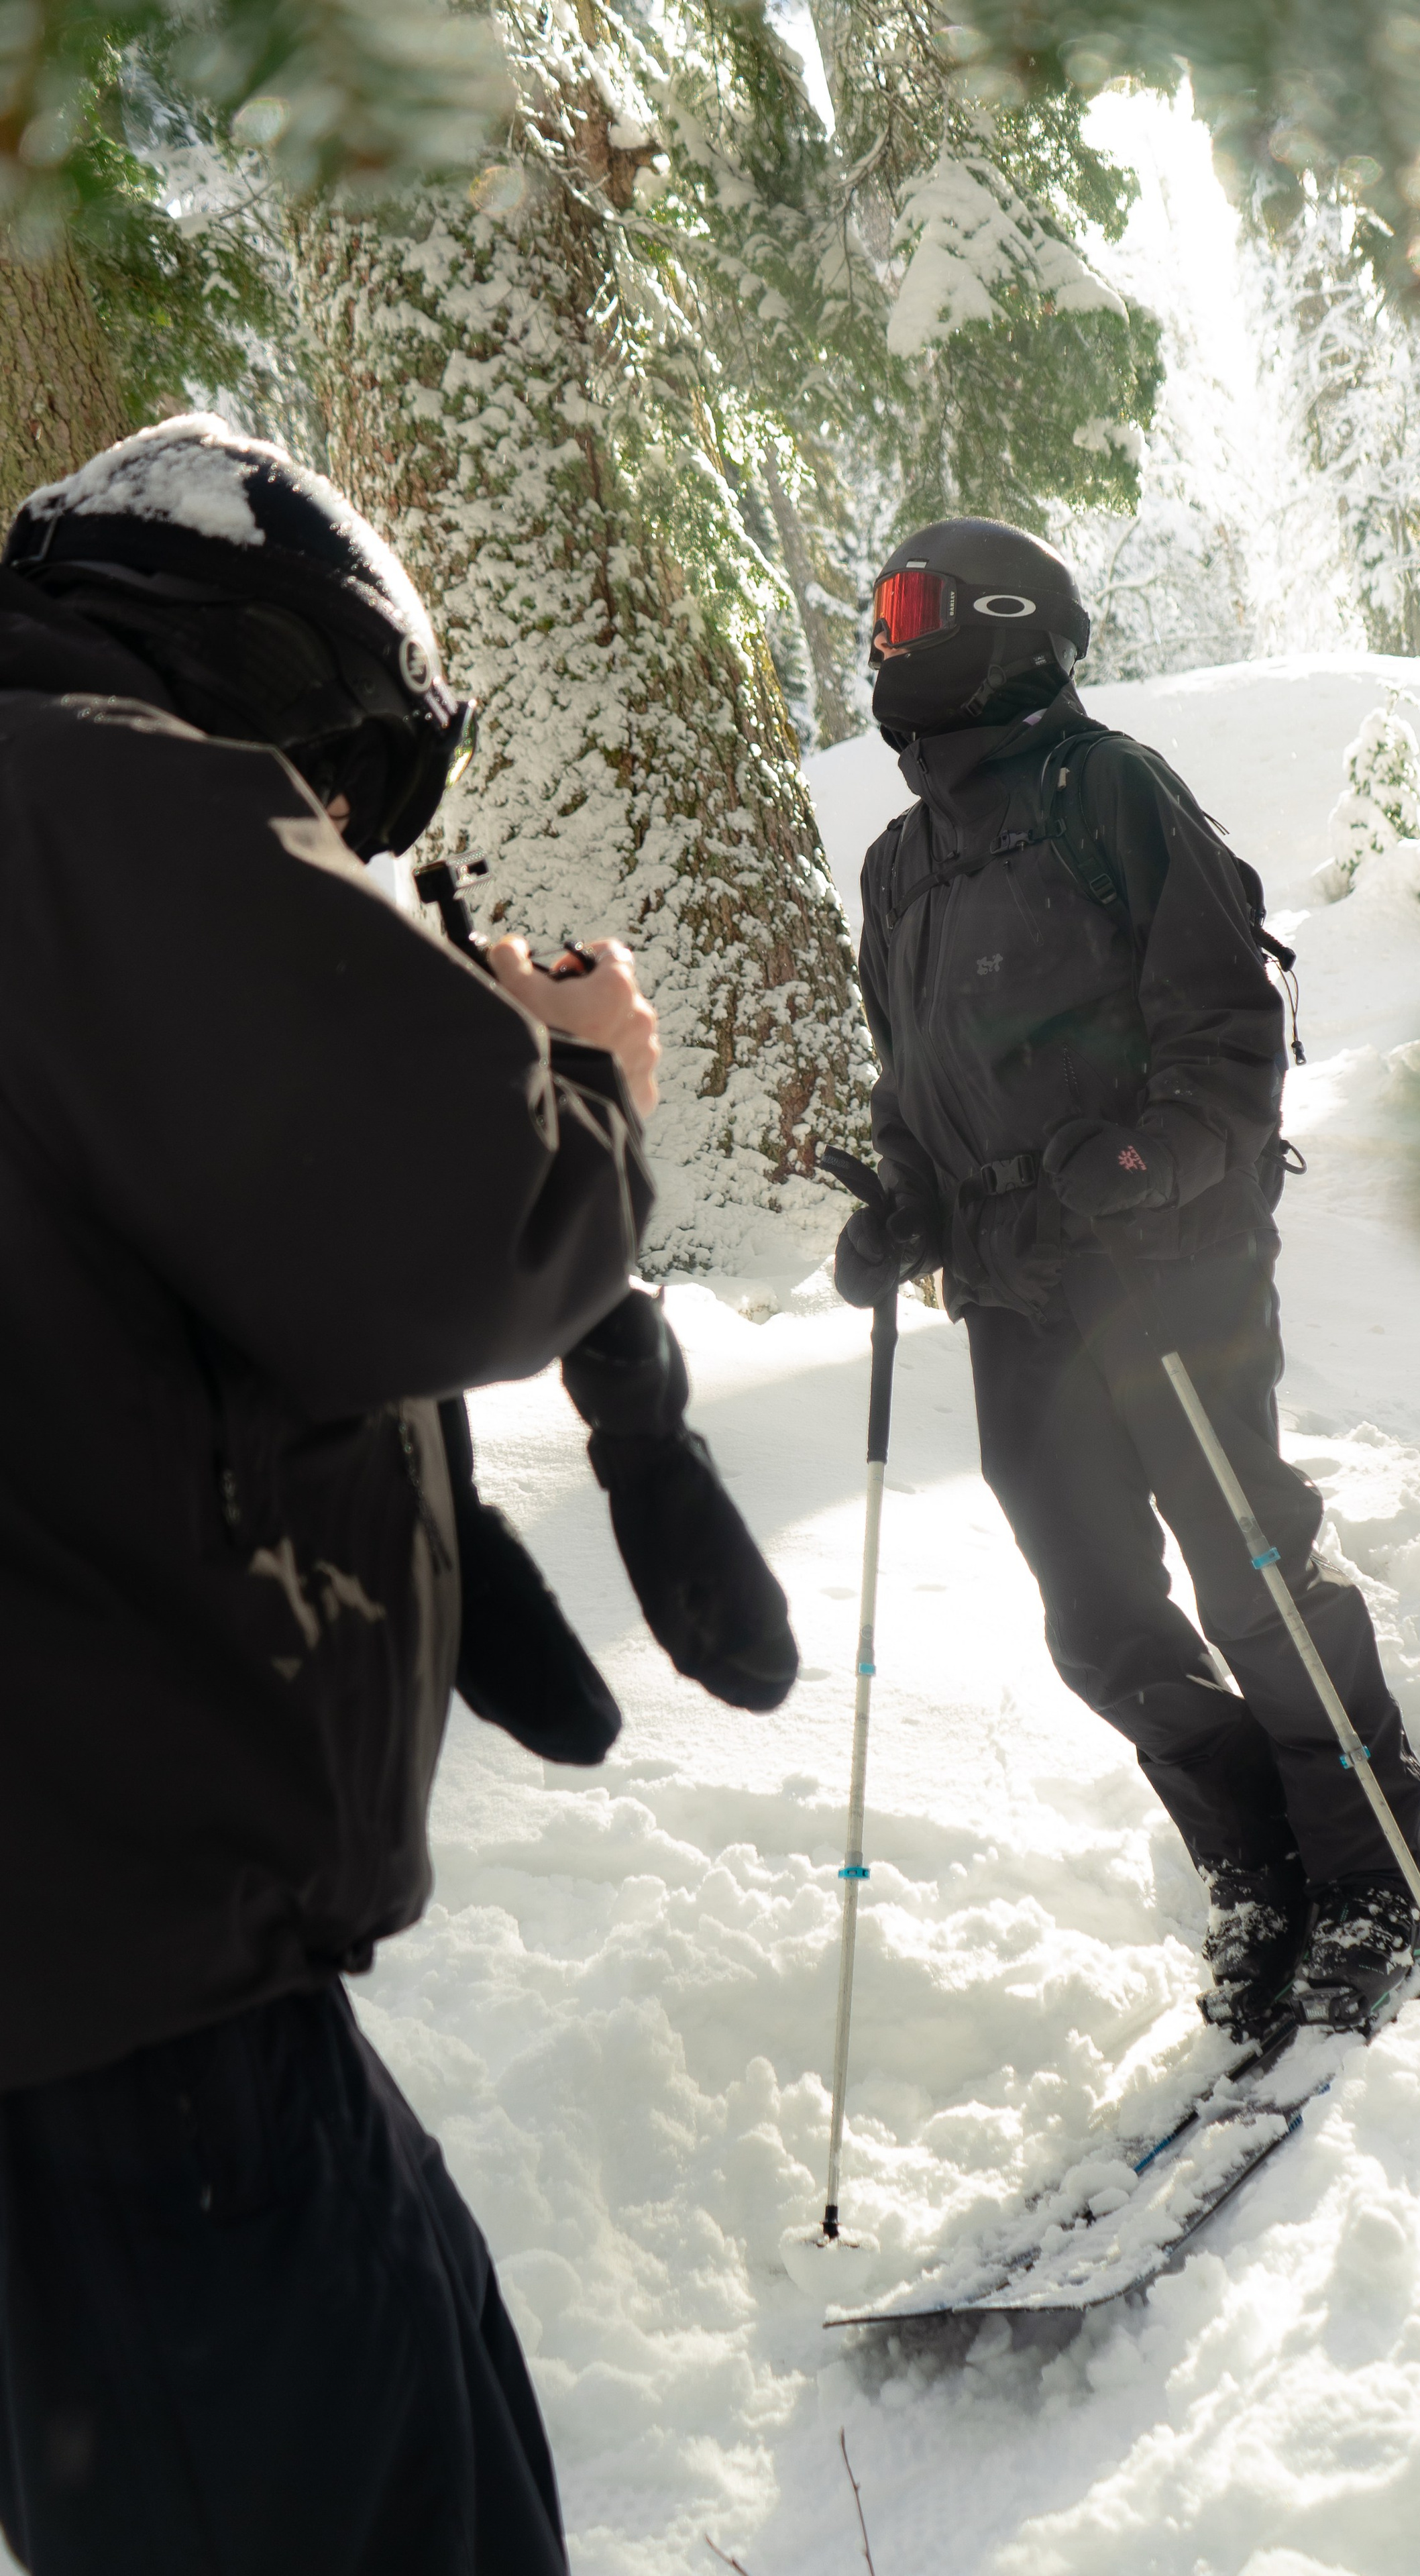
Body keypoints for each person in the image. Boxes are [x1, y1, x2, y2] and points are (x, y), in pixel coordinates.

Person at [0, 415, 786, 2576]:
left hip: (123, 1984)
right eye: (341, 789)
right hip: (133, 2017)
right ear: (255, 666)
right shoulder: (94, 788)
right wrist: (595, 1086)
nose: (336, 844)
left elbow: (147, 1338)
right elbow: (450, 1228)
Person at [834, 517, 1420, 2037]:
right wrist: (899, 1205)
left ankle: (1368, 1870)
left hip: (1160, 1264)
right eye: (879, 612)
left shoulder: (1109, 792)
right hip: (1009, 1293)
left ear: (1002, 621)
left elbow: (1227, 1044)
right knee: (1093, 1614)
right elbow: (914, 1089)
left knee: (1250, 1575)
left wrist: (1136, 1168)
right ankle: (1260, 1870)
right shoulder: (896, 862)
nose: (887, 637)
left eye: (912, 608)